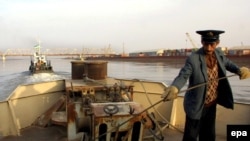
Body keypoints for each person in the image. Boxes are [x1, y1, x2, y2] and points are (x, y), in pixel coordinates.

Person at [161, 29, 250, 141]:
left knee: (208, 135)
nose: (208, 48)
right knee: (191, 136)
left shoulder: (219, 54)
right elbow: (183, 75)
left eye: (211, 44)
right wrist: (175, 87)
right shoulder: (193, 58)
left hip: (211, 103)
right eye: (206, 44)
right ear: (202, 42)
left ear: (217, 43)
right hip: (195, 105)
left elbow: (228, 64)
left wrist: (239, 70)